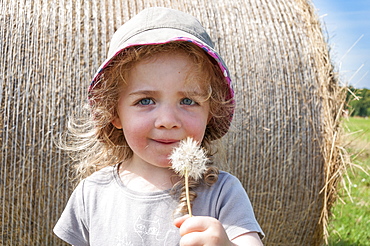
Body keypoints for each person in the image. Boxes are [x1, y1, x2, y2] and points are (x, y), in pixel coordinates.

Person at [54, 7, 264, 246]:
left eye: (188, 101)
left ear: (210, 113)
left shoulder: (223, 194)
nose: (167, 120)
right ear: (114, 112)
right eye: (145, 101)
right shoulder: (91, 193)